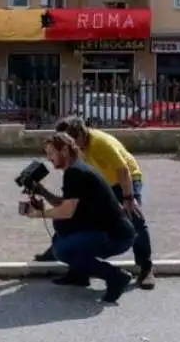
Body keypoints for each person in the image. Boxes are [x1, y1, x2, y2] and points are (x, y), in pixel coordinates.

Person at [34, 116, 156, 290]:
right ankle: (77, 271)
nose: (65, 147)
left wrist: (128, 198)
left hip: (125, 180)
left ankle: (146, 268)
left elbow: (123, 170)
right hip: (103, 183)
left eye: (69, 141)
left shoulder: (101, 143)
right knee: (77, 218)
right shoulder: (73, 153)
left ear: (81, 134)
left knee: (133, 219)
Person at [22, 132, 136, 303]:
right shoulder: (76, 169)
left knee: (61, 249)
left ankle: (115, 277)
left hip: (115, 236)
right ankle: (79, 275)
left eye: (51, 153)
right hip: (108, 231)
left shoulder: (75, 172)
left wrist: (38, 214)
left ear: (65, 150)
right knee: (62, 234)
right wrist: (43, 192)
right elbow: (67, 203)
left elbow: (66, 211)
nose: (49, 158)